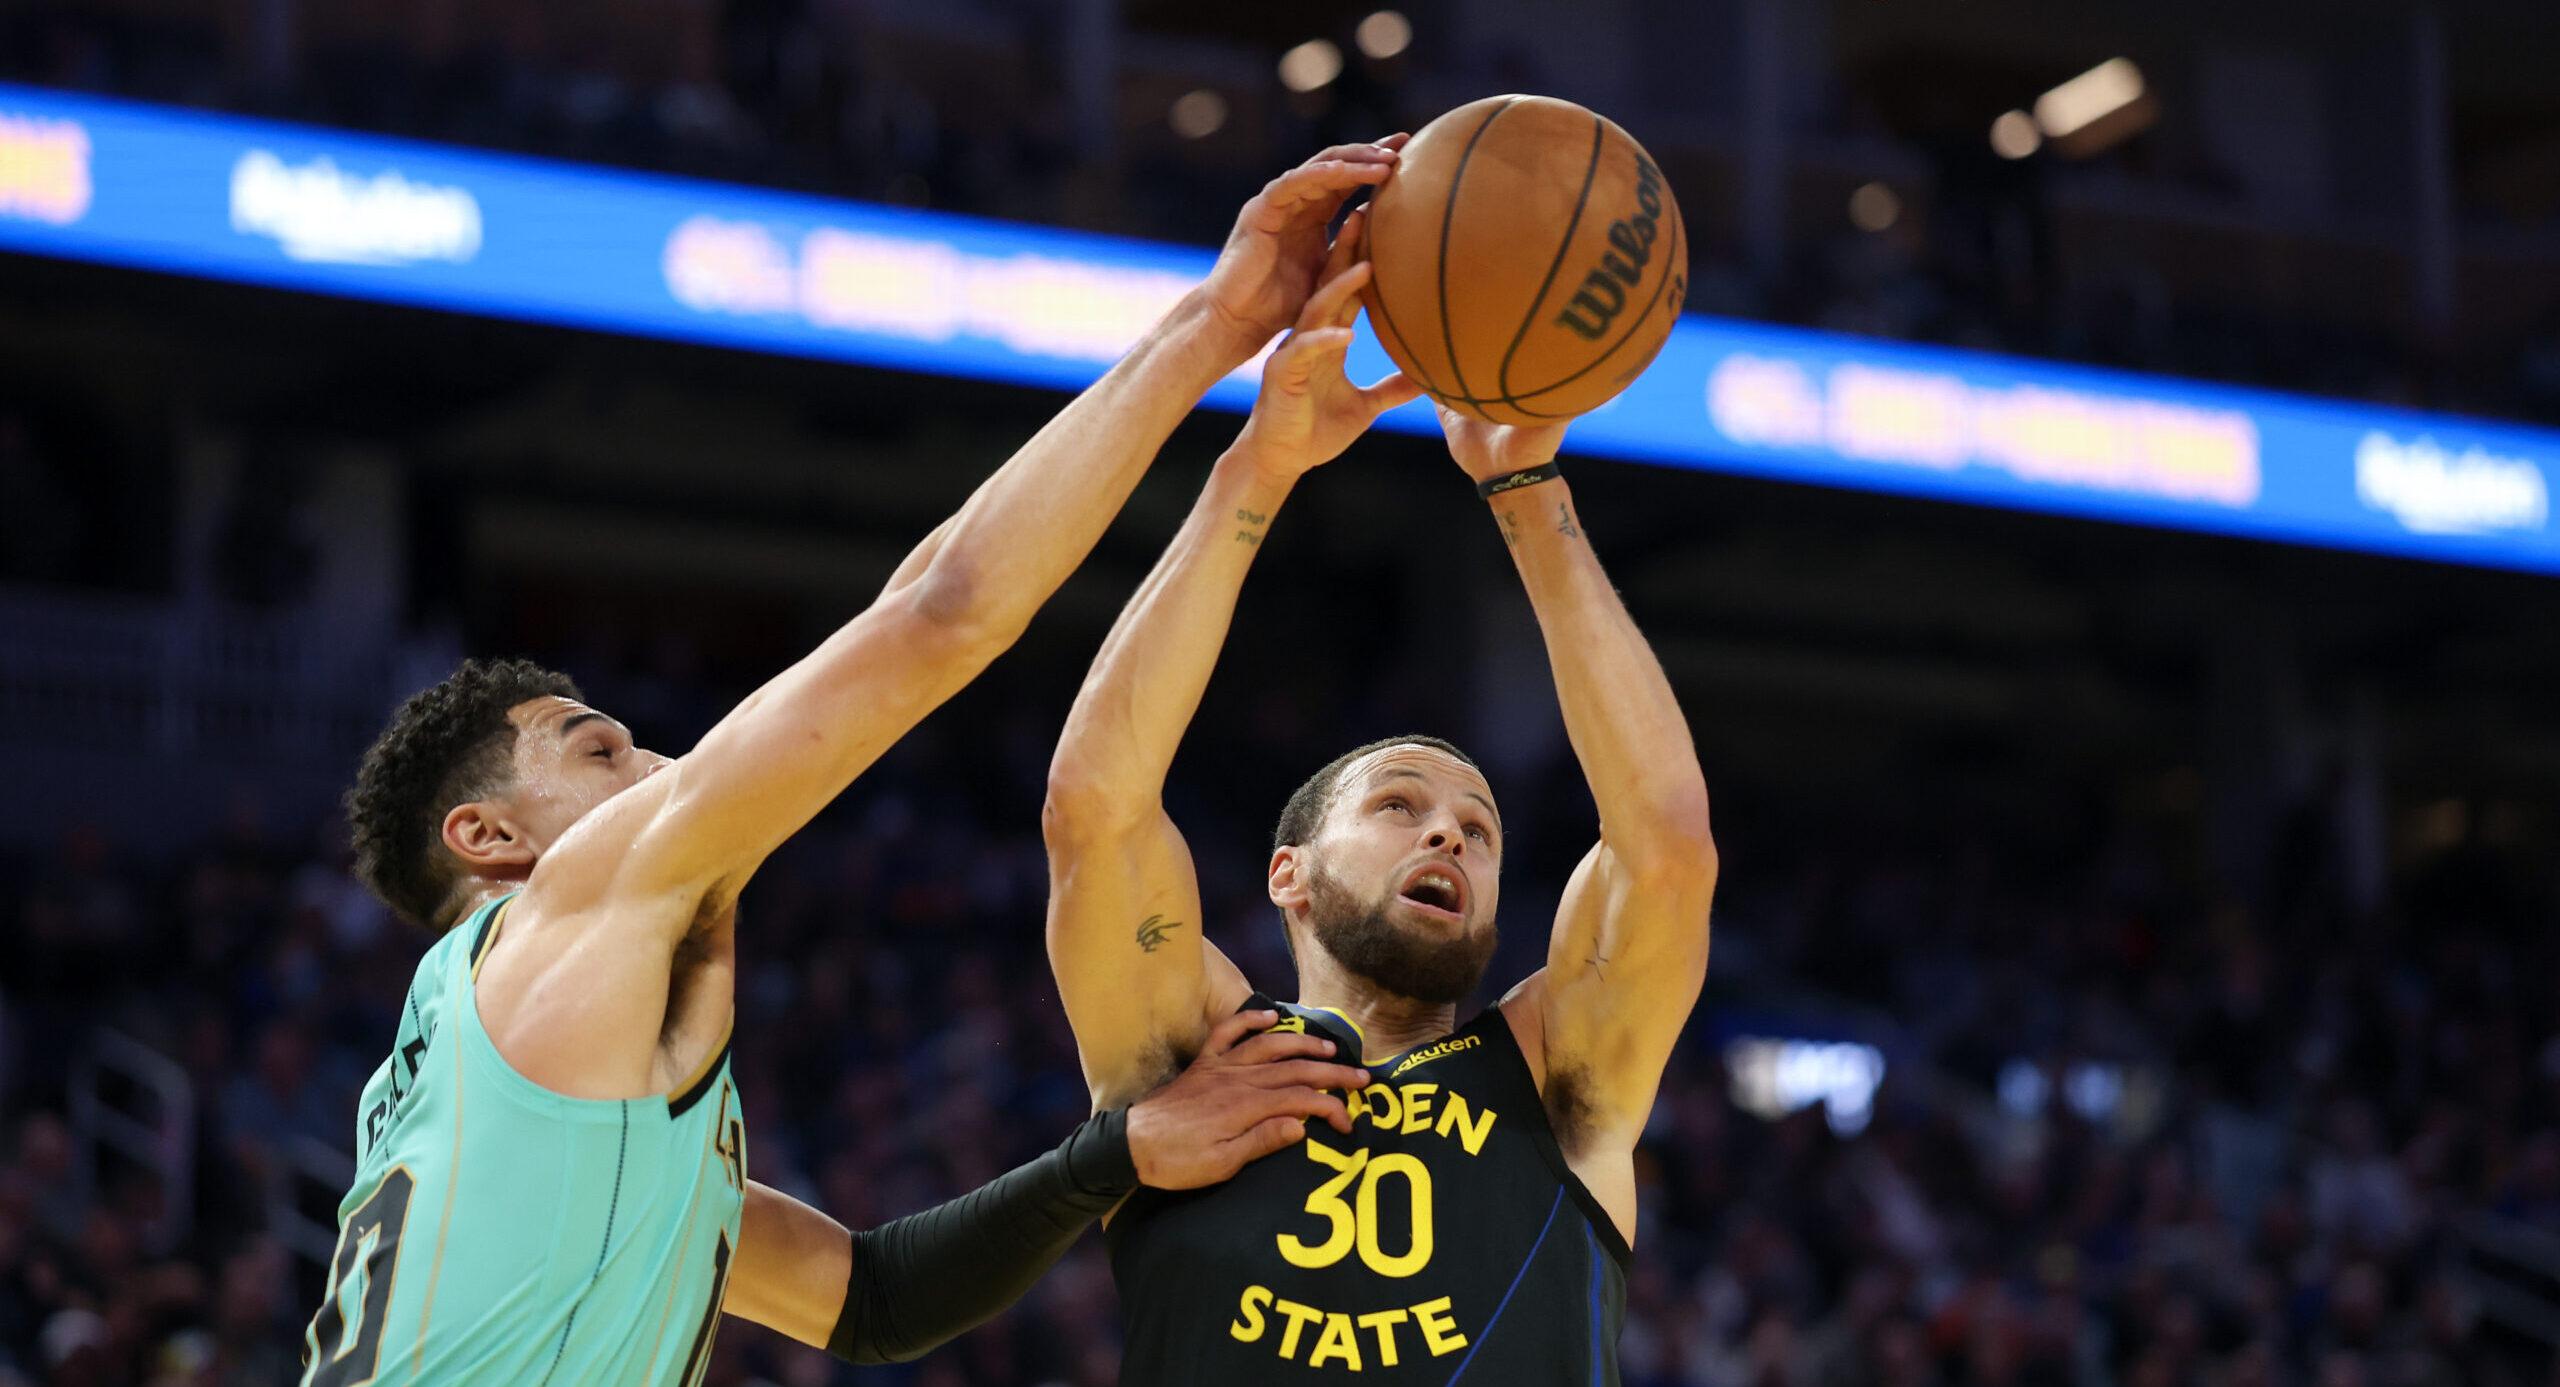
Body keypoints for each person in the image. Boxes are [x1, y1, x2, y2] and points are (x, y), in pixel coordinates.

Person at [297, 136, 1412, 1386]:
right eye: (601, 748)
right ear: (489, 838)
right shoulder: (567, 908)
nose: (663, 764)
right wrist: (1216, 327)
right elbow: (941, 616)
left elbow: (872, 1299)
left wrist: (1117, 1151)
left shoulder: (508, 1100)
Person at [1040, 221, 1718, 1382]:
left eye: (1480, 829)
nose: (1450, 828)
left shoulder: (1557, 1076)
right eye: (1398, 804)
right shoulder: (1192, 1055)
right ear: (1289, 873)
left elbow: (1663, 846)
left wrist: (1524, 489)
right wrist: (1258, 469)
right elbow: (1093, 808)